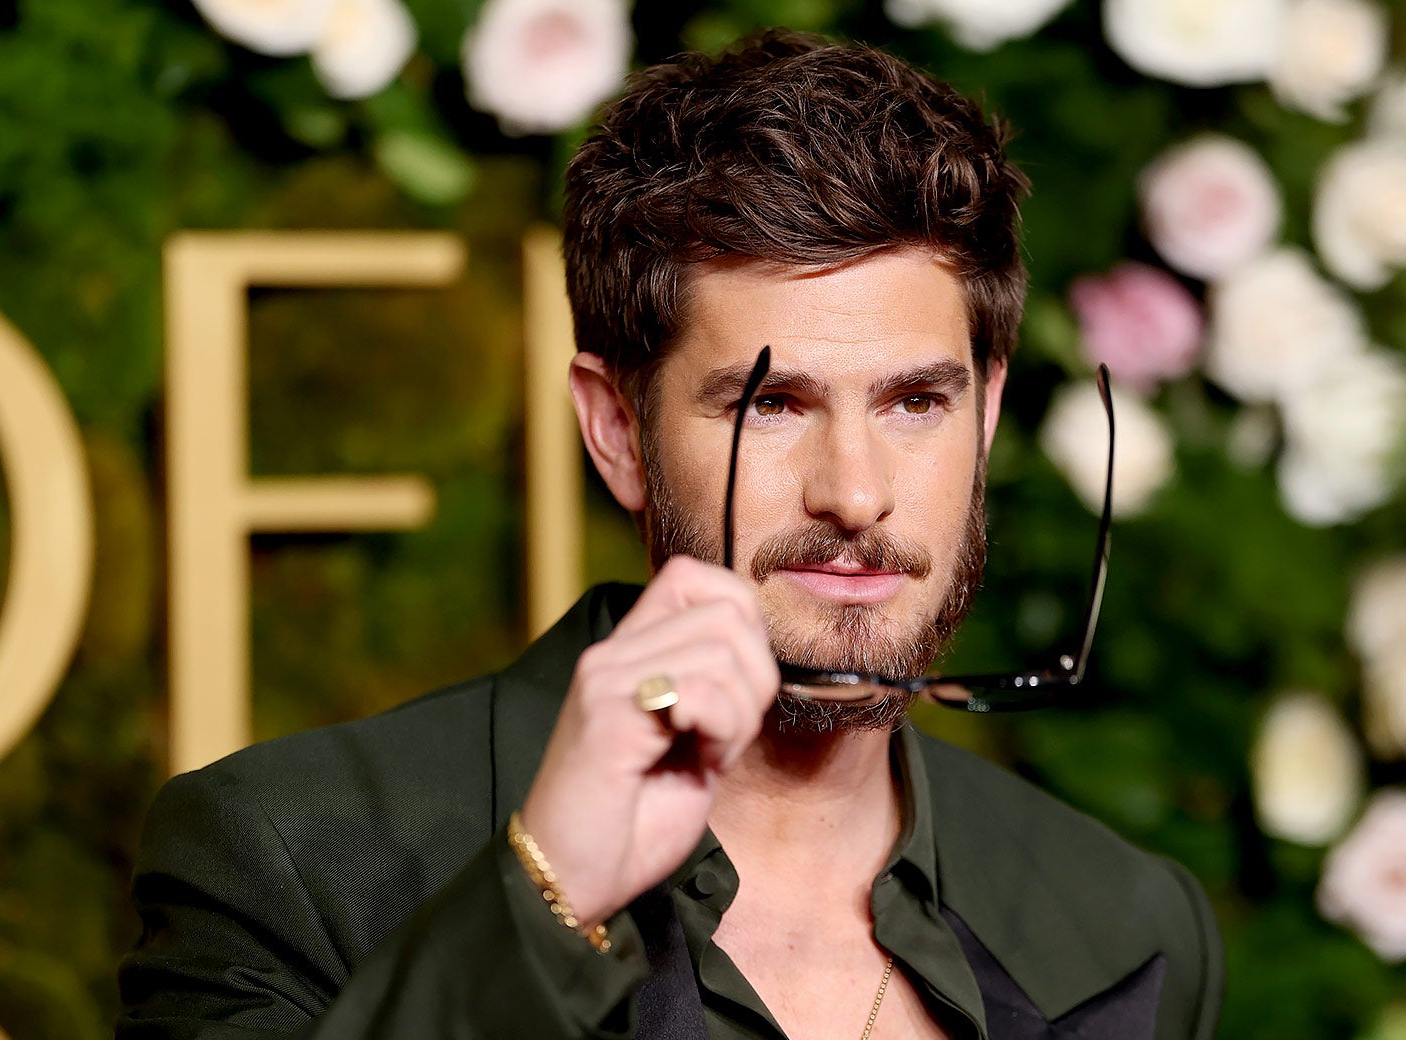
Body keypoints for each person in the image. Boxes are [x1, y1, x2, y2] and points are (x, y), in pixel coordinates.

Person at [118, 30, 1223, 1040]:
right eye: (771, 404)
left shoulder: (1133, 921)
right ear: (616, 430)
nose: (855, 492)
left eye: (914, 403)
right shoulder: (279, 858)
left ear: (984, 415)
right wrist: (545, 891)